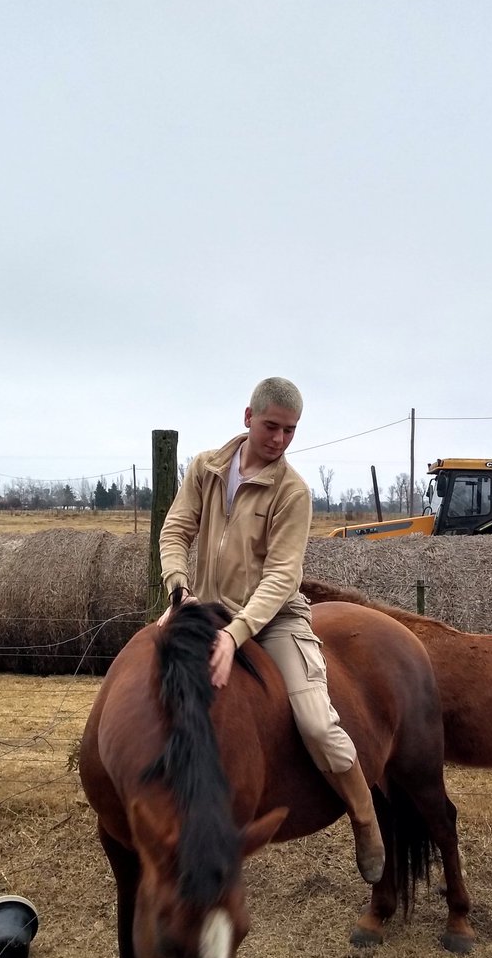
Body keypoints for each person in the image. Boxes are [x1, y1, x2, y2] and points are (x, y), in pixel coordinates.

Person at [158, 377, 385, 883]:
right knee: (146, 687)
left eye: (290, 430)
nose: (280, 439)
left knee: (317, 722)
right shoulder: (205, 468)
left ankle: (364, 816)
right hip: (204, 608)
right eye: (271, 426)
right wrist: (179, 591)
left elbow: (283, 576)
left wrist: (235, 633)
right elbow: (175, 531)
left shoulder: (293, 491)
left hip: (275, 618)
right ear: (247, 418)